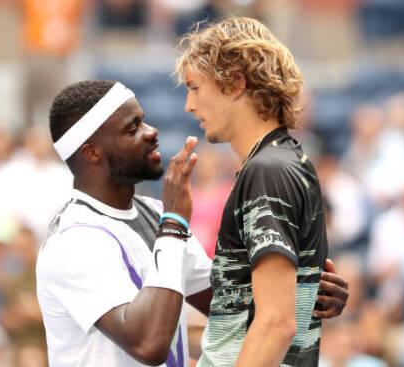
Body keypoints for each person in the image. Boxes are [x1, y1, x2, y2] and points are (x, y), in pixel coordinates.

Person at [37, 79, 348, 366]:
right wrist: (173, 224)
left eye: (143, 120)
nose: (151, 132)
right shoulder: (73, 239)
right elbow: (148, 344)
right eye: (132, 129)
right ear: (92, 152)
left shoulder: (154, 212)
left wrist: (302, 294)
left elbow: (230, 307)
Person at [175, 16, 339, 366]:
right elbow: (243, 321)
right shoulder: (284, 161)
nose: (189, 106)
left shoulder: (268, 171)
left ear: (235, 83)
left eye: (195, 88)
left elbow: (276, 324)